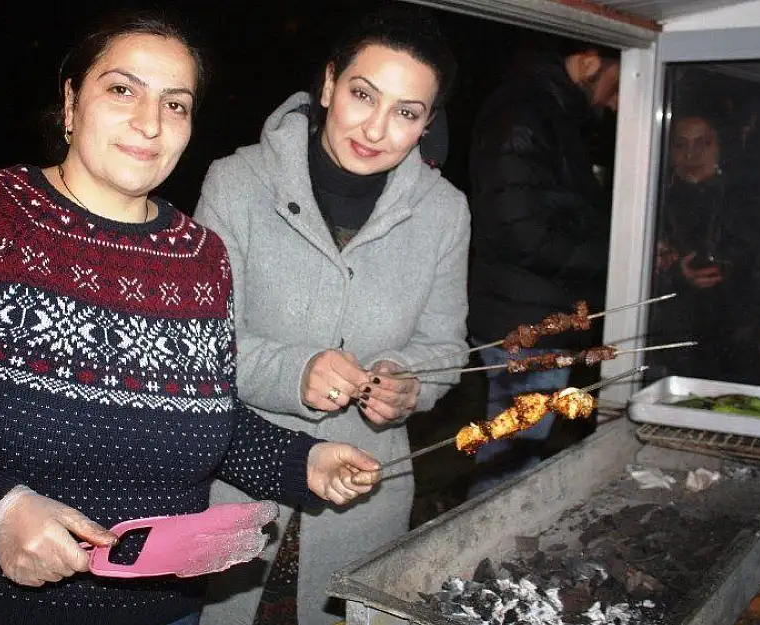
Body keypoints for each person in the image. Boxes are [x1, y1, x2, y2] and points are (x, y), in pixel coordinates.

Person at [0, 11, 383, 625]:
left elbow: (200, 418)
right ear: (71, 102)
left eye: (175, 104)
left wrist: (302, 461)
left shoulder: (201, 258)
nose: (149, 122)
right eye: (122, 89)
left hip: (161, 612)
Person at [193, 7, 469, 625]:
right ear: (328, 85)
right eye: (362, 95)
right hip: (238, 485)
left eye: (406, 112)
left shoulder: (445, 213)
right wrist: (296, 370)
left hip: (365, 496)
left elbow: (447, 347)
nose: (376, 128)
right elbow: (200, 345)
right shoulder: (236, 183)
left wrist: (410, 381)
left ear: (426, 123)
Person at [465, 40, 620, 499]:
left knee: (516, 455)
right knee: (508, 464)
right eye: (616, 84)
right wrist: (614, 254)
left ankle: (483, 552)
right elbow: (518, 231)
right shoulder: (524, 112)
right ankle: (476, 558)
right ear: (589, 59)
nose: (615, 102)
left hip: (536, 312)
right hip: (523, 322)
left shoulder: (550, 111)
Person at [649, 109, 760, 386]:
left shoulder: (744, 199)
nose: (691, 154)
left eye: (703, 143)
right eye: (680, 144)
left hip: (735, 343)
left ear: (720, 147)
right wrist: (673, 276)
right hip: (669, 344)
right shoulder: (650, 199)